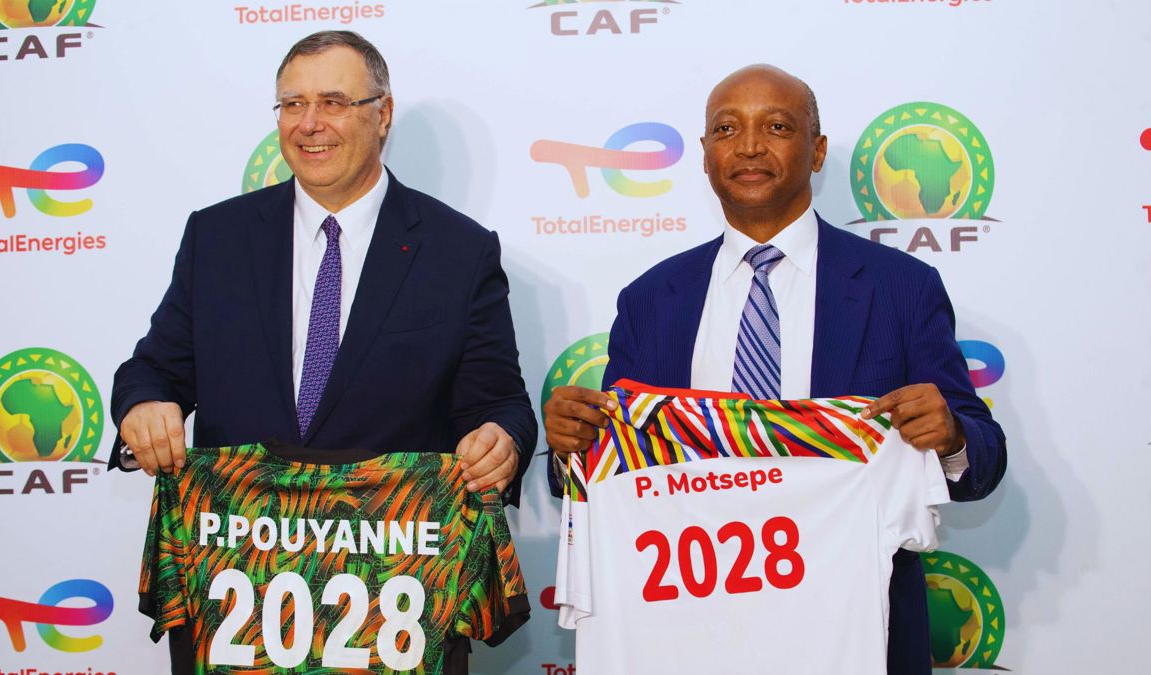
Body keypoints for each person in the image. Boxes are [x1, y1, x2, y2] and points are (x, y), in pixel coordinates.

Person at [543, 64, 1005, 675]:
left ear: (817, 150)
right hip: (684, 633)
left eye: (778, 127)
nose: (750, 146)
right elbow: (613, 470)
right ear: (704, 155)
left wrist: (950, 438)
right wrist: (570, 448)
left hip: (855, 629)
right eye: (727, 129)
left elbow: (982, 462)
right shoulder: (652, 299)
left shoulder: (901, 288)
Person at [110, 30, 536, 502]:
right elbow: (154, 370)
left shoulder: (460, 252)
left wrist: (501, 441)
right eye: (293, 104)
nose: (309, 124)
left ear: (383, 115)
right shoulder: (216, 238)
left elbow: (500, 405)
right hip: (236, 533)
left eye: (333, 103)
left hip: (393, 537)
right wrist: (143, 404)